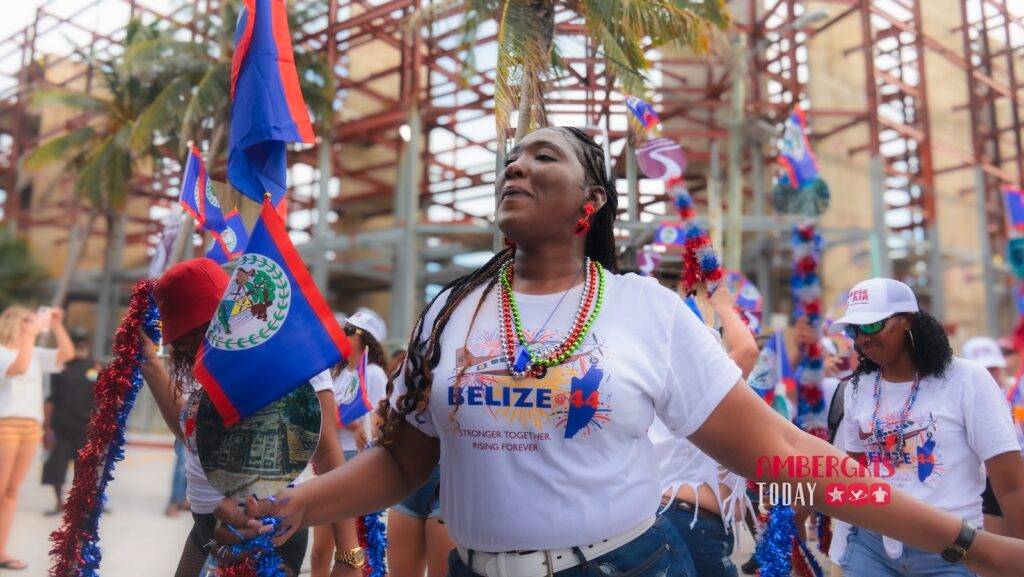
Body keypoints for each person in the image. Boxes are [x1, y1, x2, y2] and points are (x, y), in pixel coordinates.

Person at [219, 127, 1024, 577]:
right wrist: (300, 502)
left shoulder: (646, 308)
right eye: (511, 157)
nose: (516, 165)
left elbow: (781, 454)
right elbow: (400, 462)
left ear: (591, 202)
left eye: (544, 157)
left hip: (623, 567)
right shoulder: (449, 310)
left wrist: (968, 541)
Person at [832, 277, 1024, 576]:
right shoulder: (858, 388)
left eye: (871, 325)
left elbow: (1011, 485)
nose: (862, 338)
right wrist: (842, 547)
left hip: (951, 551)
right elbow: (855, 476)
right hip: (872, 548)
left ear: (908, 320)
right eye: (853, 330)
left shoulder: (968, 380)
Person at [141, 259, 311, 577]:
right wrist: (150, 363)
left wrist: (348, 551)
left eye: (190, 331)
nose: (180, 344)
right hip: (208, 528)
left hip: (256, 536)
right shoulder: (203, 364)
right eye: (178, 336)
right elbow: (192, 435)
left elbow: (284, 457)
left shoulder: (258, 365)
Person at [651, 286, 759, 577]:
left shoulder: (659, 388)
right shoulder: (698, 391)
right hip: (690, 521)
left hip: (678, 517)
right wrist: (723, 305)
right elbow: (747, 352)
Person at [309, 309, 388, 577]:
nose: (341, 334)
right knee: (320, 548)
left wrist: (353, 425)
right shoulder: (338, 372)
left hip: (356, 461)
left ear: (366, 339)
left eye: (348, 330)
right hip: (332, 457)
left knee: (352, 548)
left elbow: (376, 423)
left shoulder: (375, 374)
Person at [0, 305, 73, 571]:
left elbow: (67, 354)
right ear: (14, 323)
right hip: (5, 424)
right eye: (28, 319)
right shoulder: (4, 351)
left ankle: (1, 551)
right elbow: (17, 369)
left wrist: (55, 325)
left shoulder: (33, 353)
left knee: (11, 491)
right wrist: (30, 336)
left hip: (31, 426)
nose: (34, 322)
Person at [961, 337, 1023, 538]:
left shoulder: (1017, 391)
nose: (990, 374)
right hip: (985, 484)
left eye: (994, 368)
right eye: (984, 369)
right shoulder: (965, 398)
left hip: (1017, 476)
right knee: (999, 549)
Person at [41, 329, 99, 516]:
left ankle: (83, 505)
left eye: (83, 342)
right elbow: (50, 399)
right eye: (77, 342)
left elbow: (104, 397)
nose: (81, 346)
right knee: (56, 468)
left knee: (86, 470)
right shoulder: (60, 367)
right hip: (62, 427)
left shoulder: (95, 367)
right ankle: (58, 502)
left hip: (85, 428)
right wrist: (46, 428)